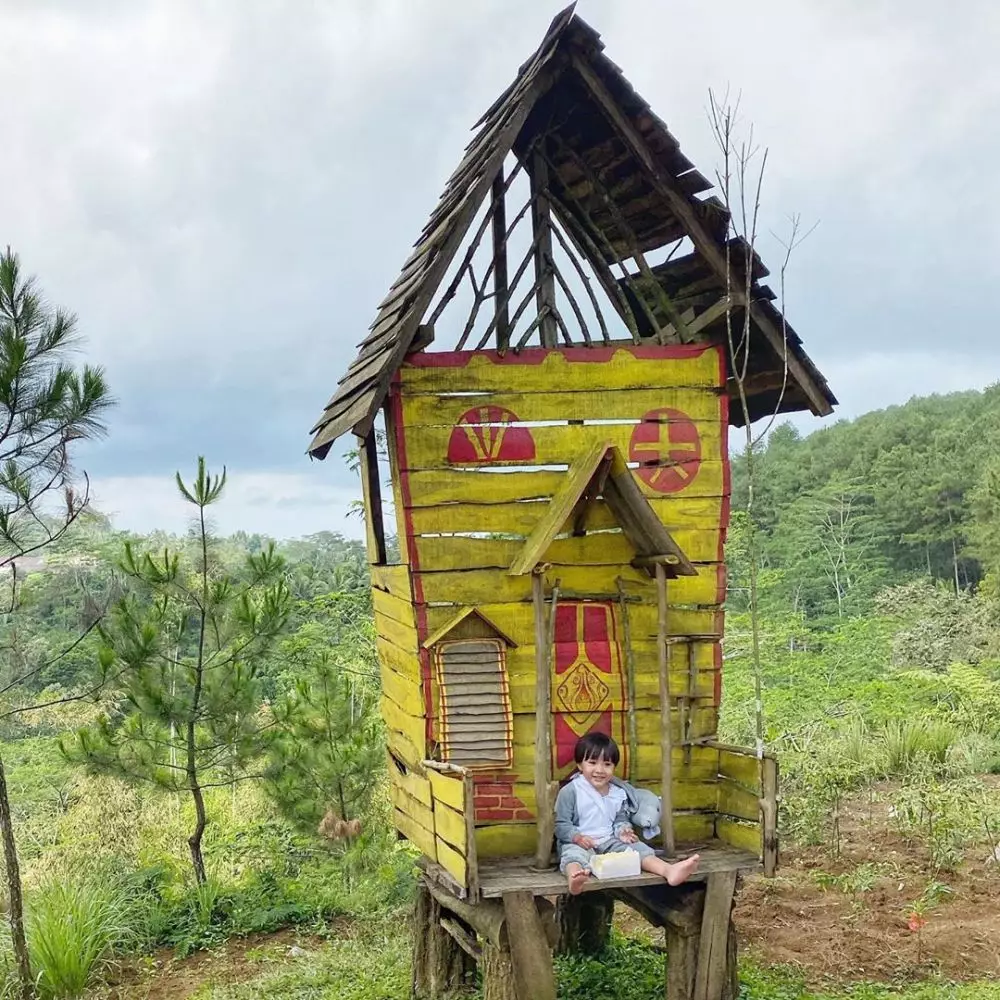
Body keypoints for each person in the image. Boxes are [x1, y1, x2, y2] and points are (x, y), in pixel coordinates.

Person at [554, 732, 700, 895]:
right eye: (592, 762)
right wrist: (577, 837)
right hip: (580, 842)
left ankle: (668, 870)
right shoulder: (571, 791)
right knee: (573, 855)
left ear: (614, 767)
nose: (599, 770)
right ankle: (575, 878)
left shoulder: (617, 793)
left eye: (607, 764)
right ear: (580, 765)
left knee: (637, 850)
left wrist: (623, 831)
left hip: (609, 840)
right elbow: (562, 825)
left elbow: (619, 819)